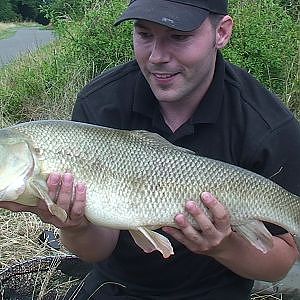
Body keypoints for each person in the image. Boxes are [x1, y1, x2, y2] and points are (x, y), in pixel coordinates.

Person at [1, 0, 300, 299]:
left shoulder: (270, 127)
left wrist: (224, 245)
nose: (157, 57)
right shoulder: (101, 101)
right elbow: (97, 249)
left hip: (214, 290)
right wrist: (74, 226)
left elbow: (277, 267)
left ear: (221, 32)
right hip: (116, 285)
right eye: (144, 34)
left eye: (178, 36)